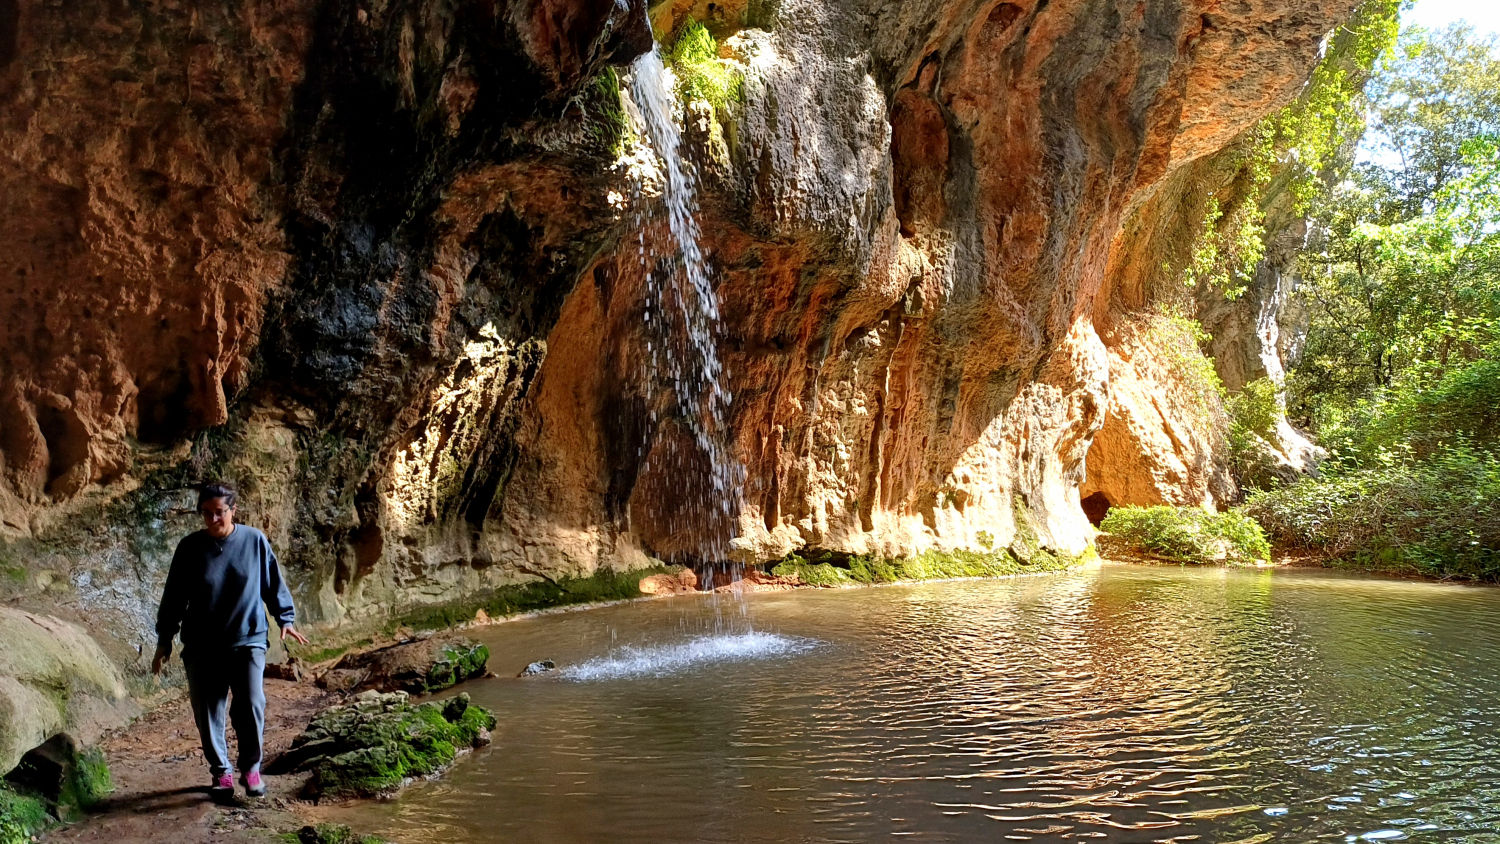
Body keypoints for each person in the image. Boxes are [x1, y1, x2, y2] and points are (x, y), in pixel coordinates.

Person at [152, 482, 310, 799]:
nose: (212, 519)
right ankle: (221, 773)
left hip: (248, 638)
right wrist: (164, 640)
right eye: (206, 513)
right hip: (202, 645)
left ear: (233, 510)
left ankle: (251, 770)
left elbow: (272, 583)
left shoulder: (254, 541)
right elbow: (174, 598)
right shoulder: (189, 548)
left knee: (251, 704)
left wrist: (285, 618)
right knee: (208, 709)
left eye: (219, 512)